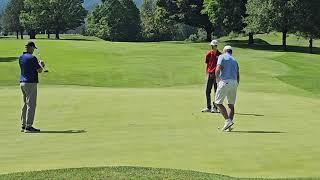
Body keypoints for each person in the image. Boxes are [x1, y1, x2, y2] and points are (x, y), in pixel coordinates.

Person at [19, 41, 45, 133]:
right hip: (30, 83)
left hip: (22, 83)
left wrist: (37, 64)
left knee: (25, 104)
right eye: (33, 48)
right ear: (31, 47)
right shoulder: (33, 58)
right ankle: (28, 127)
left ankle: (23, 125)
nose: (34, 50)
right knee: (31, 104)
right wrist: (41, 64)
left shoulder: (21, 57)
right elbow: (40, 70)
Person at [215, 45, 239, 131]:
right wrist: (236, 84)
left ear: (225, 51)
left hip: (225, 81)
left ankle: (227, 120)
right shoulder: (234, 60)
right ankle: (229, 125)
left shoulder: (222, 56)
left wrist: (217, 79)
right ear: (231, 52)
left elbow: (218, 69)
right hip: (234, 82)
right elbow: (238, 74)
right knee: (231, 104)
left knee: (218, 103)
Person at [202, 40, 221, 113]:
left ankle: (215, 107)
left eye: (214, 46)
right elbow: (207, 65)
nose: (212, 47)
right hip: (210, 74)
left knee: (216, 92)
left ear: (216, 46)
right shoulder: (209, 54)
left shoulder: (220, 55)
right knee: (207, 91)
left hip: (217, 75)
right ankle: (208, 107)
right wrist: (206, 74)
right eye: (212, 46)